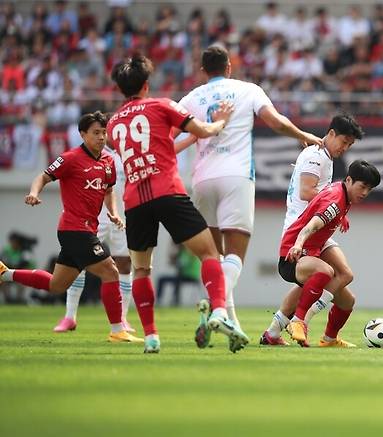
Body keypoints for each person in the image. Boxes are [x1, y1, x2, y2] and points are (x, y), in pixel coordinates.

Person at [106, 54, 248, 353]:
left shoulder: (113, 124)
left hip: (134, 200)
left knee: (142, 270)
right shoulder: (162, 105)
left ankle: (151, 337)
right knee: (210, 252)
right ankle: (220, 311)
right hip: (167, 192)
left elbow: (149, 144)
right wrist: (220, 119)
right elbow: (206, 131)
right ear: (146, 84)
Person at [175, 45, 322, 330]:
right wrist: (302, 134)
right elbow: (275, 122)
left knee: (212, 257)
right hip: (237, 177)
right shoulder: (248, 90)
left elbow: (169, 141)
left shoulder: (191, 98)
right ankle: (216, 309)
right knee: (234, 257)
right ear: (230, 67)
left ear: (203, 71)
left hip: (202, 180)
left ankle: (229, 320)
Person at [0, 111, 134, 341]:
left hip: (85, 229)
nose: (101, 137)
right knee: (111, 271)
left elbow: (109, 190)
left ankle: (6, 273)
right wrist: (33, 193)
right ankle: (117, 330)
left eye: (104, 132)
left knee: (56, 285)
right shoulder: (70, 158)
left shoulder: (108, 161)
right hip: (74, 228)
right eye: (95, 133)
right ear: (83, 134)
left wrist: (113, 212)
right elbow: (42, 177)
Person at [260, 114, 364, 346]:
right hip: (304, 228)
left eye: (350, 145)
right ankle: (300, 320)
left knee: (344, 281)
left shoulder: (324, 155)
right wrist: (335, 206)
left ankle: (311, 335)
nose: (345, 148)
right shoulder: (316, 156)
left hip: (319, 228)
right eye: (344, 142)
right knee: (322, 276)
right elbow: (306, 192)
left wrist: (338, 212)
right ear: (331, 134)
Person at [278, 160, 380, 347]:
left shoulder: (342, 195)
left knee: (347, 300)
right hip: (292, 256)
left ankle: (329, 339)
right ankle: (299, 320)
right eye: (362, 186)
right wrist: (298, 244)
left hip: (311, 251)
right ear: (349, 180)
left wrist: (342, 216)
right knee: (325, 272)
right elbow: (312, 226)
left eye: (370, 189)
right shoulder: (335, 201)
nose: (365, 193)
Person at [52, 144, 138, 338]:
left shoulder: (131, 150)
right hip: (93, 218)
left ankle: (122, 317)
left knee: (124, 264)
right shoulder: (96, 155)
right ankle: (69, 316)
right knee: (79, 262)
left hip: (124, 215)